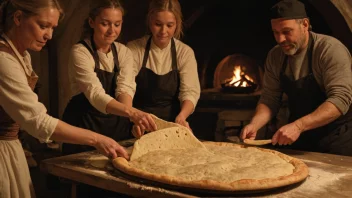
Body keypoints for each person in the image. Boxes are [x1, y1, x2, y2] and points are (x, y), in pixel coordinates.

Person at [0, 0, 152, 197]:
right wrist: (98, 139)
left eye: (53, 27)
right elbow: (38, 121)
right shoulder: (4, 61)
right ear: (18, 18)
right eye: (43, 26)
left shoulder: (22, 56)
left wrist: (130, 116)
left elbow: (126, 87)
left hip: (11, 148)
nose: (49, 35)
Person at [241, 0, 352, 156]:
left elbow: (340, 99)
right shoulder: (275, 55)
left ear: (305, 25)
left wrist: (299, 126)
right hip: (299, 137)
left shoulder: (329, 50)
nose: (280, 39)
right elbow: (269, 99)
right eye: (276, 32)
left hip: (337, 139)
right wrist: (255, 124)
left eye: (287, 31)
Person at [61, 0, 157, 154]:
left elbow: (125, 89)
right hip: (84, 127)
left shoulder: (123, 52)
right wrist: (133, 113)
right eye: (105, 24)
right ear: (92, 22)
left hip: (116, 128)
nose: (112, 30)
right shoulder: (80, 52)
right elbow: (95, 95)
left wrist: (132, 119)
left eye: (117, 24)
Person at [127, 0, 201, 137]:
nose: (163, 31)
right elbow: (126, 88)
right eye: (158, 24)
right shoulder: (133, 49)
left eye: (169, 25)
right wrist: (134, 117)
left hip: (172, 126)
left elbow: (190, 91)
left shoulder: (184, 52)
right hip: (138, 124)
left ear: (177, 24)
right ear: (150, 21)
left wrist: (182, 117)